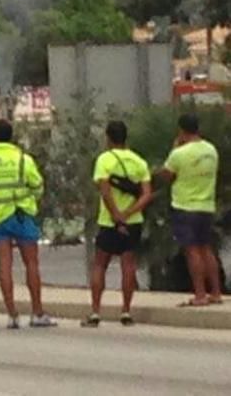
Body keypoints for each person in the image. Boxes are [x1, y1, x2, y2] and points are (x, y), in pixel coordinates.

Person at [0, 119, 57, 329]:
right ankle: (37, 312)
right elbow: (38, 185)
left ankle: (12, 315)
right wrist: (29, 198)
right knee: (31, 263)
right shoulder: (23, 160)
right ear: (11, 136)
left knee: (4, 265)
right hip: (22, 215)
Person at [82, 120, 153, 327]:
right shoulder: (138, 161)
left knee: (100, 264)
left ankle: (95, 312)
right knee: (128, 265)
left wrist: (115, 214)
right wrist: (129, 213)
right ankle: (126, 311)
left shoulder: (105, 159)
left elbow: (104, 190)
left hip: (108, 221)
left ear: (108, 138)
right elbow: (147, 195)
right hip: (134, 221)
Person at [157, 113, 222, 306]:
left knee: (192, 251)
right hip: (207, 205)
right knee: (206, 249)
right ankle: (216, 292)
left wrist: (175, 148)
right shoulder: (211, 150)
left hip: (185, 206)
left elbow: (166, 176)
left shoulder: (179, 154)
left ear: (181, 130)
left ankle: (200, 294)